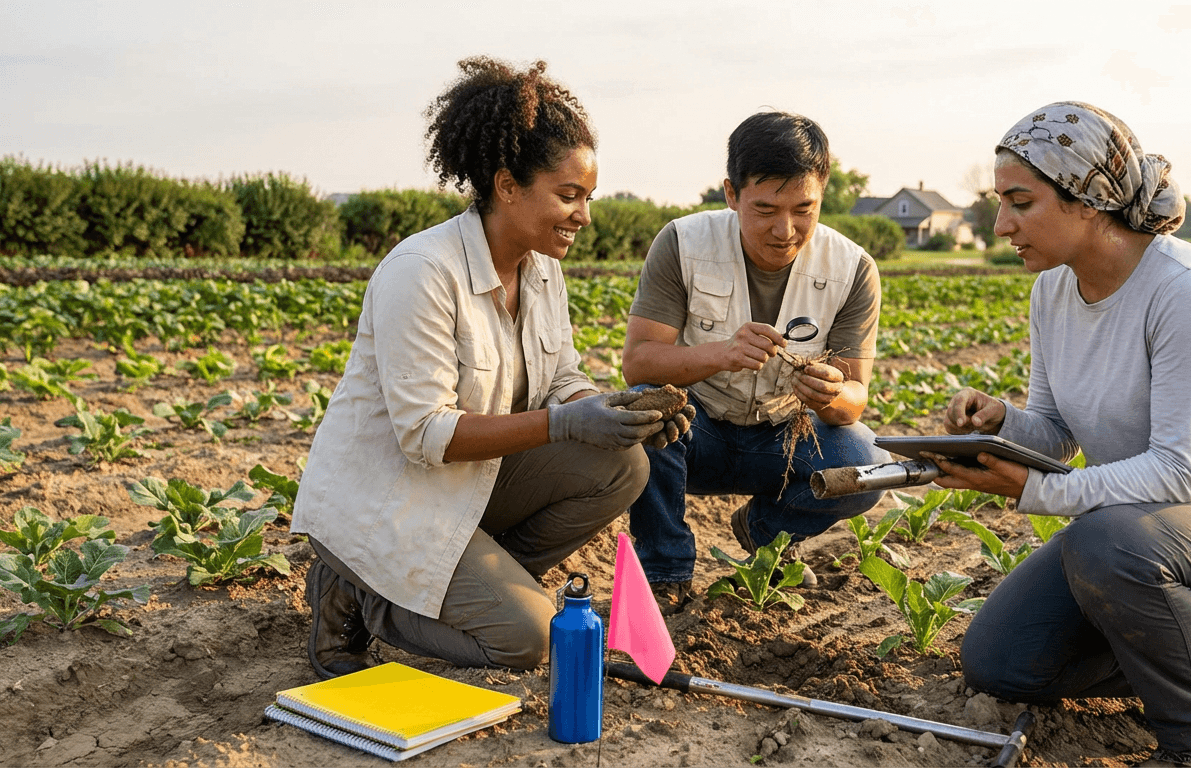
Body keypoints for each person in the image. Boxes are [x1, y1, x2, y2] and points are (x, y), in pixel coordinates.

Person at [931, 101, 1191, 768]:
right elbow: (1058, 433)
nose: (1001, 225)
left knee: (1102, 539)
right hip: (1145, 535)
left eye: (1020, 203)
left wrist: (1032, 488)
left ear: (1088, 201)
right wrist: (1003, 423)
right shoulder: (1053, 291)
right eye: (998, 202)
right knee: (998, 662)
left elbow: (1179, 474)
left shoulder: (1188, 290)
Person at [290, 57, 688, 679]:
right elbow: (425, 434)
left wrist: (614, 412)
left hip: (467, 486)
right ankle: (363, 590)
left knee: (624, 464)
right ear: (506, 185)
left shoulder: (542, 268)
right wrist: (564, 424)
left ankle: (477, 584)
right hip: (387, 499)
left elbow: (560, 379)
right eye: (568, 195)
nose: (584, 216)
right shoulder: (423, 271)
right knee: (526, 642)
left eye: (588, 197)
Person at [622, 111, 892, 612]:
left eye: (803, 209)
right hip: (694, 430)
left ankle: (764, 532)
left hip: (782, 435)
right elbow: (638, 364)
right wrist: (720, 354)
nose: (784, 230)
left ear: (823, 194)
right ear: (731, 194)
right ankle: (665, 569)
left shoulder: (853, 268)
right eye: (764, 209)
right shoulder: (683, 243)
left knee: (868, 463)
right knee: (642, 408)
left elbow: (856, 397)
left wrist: (833, 394)